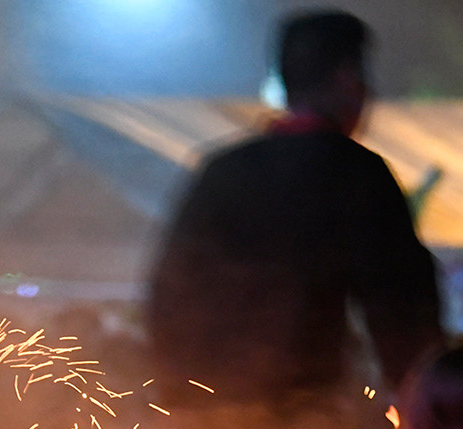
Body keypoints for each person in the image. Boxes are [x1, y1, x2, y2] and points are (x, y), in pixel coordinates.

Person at [145, 8, 443, 407]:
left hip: (202, 421)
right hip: (306, 420)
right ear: (347, 79)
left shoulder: (221, 173)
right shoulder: (357, 173)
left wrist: (178, 399)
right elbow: (404, 313)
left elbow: (166, 296)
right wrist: (430, 408)